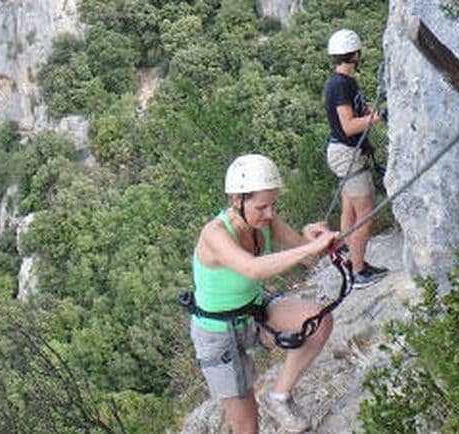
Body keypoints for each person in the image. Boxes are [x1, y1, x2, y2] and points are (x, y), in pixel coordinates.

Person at [190, 154, 337, 433]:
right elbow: (252, 269)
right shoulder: (215, 233)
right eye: (262, 207)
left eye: (273, 205)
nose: (270, 214)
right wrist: (308, 249)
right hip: (218, 335)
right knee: (248, 428)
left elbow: (307, 255)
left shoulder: (264, 221)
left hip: (254, 313)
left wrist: (315, 239)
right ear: (237, 200)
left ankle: (279, 396)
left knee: (319, 320)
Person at [323, 28, 388, 288]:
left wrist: (368, 141)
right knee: (366, 213)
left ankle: (352, 256)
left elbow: (357, 114)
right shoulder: (340, 85)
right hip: (345, 152)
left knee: (350, 207)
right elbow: (349, 126)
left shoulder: (343, 82)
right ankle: (358, 271)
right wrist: (378, 118)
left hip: (347, 150)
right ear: (356, 54)